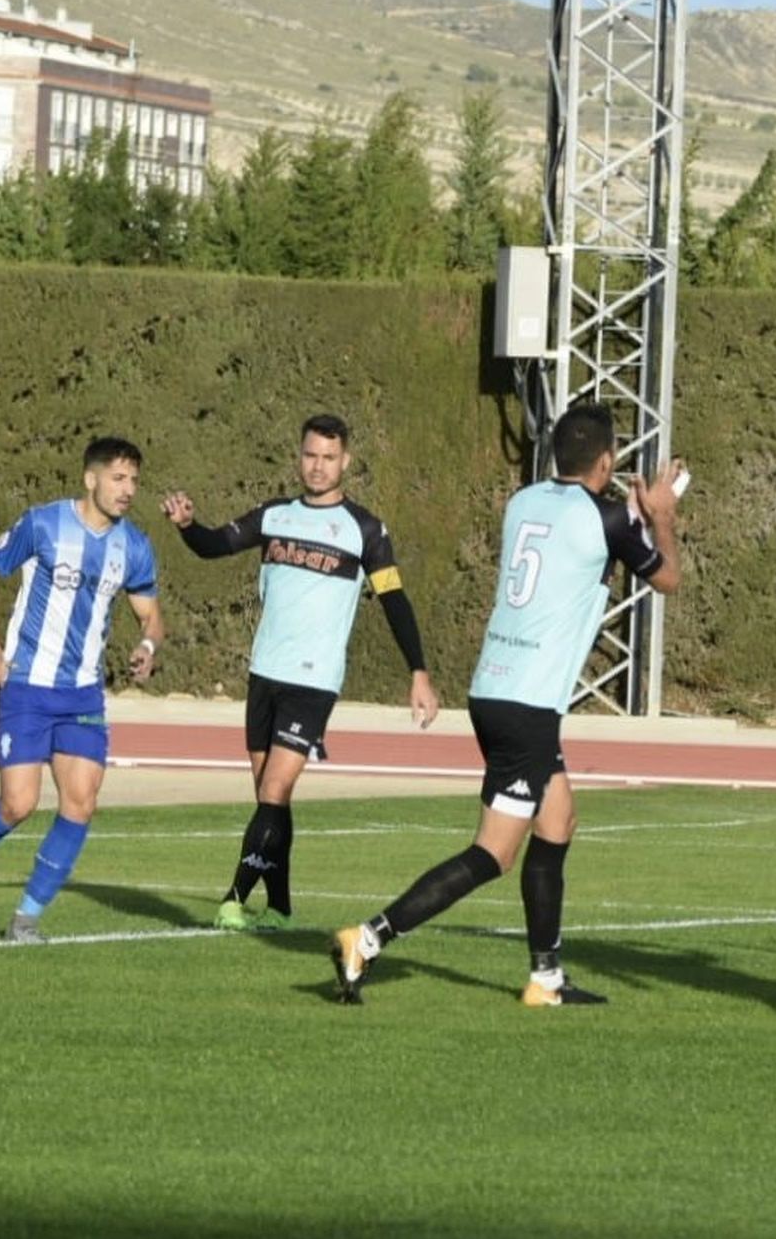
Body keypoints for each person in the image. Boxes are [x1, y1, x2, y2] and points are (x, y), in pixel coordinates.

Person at [329, 403, 683, 1006]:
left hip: (496, 685)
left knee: (559, 820)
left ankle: (545, 978)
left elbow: (587, 538)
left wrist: (633, 515)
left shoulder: (523, 503)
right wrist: (663, 517)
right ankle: (366, 938)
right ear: (607, 460)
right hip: (527, 701)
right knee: (493, 852)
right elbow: (668, 577)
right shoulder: (607, 520)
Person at [161, 414, 438, 931]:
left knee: (273, 792)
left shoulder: (367, 530)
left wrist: (418, 671)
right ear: (299, 455)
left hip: (313, 682)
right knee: (271, 796)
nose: (318, 466)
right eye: (310, 455)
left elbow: (395, 600)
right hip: (264, 673)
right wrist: (185, 527)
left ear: (345, 462)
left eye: (328, 458)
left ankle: (234, 898)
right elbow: (215, 544)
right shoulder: (274, 515)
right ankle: (283, 906)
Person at [0, 438, 163, 942]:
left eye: (133, 480)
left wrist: (149, 646)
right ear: (90, 479)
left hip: (83, 697)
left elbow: (151, 613)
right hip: (27, 686)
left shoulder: (133, 545)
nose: (127, 489)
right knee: (18, 805)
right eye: (118, 478)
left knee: (80, 803)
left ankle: (26, 919)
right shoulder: (43, 523)